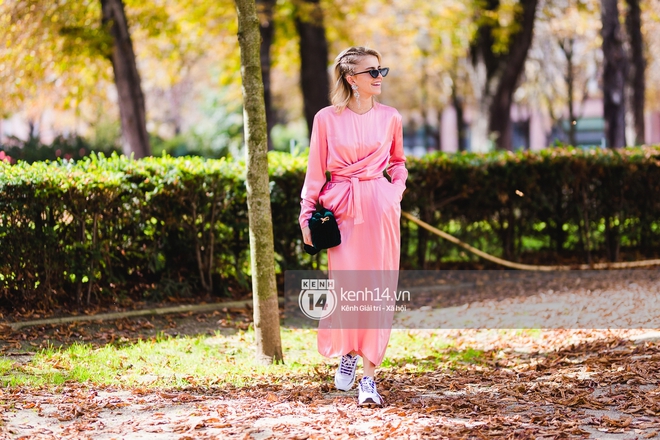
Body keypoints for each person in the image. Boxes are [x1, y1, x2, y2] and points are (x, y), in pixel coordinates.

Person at [299, 46, 407, 407]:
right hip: (342, 211)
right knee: (346, 289)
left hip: (381, 211)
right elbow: (316, 171)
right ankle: (347, 352)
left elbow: (399, 162)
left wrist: (395, 193)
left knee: (378, 289)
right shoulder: (326, 119)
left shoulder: (391, 116)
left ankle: (369, 379)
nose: (379, 77)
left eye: (381, 70)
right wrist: (306, 213)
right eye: (371, 72)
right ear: (350, 78)